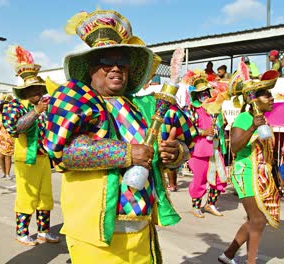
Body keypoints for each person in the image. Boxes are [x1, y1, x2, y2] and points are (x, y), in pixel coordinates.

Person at [44, 10, 191, 263]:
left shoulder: (146, 107)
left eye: (121, 61)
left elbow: (182, 146)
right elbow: (64, 153)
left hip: (141, 229)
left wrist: (175, 153)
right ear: (91, 68)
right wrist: (126, 153)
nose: (115, 67)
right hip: (95, 234)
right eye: (106, 60)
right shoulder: (76, 100)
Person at [219, 69, 284, 264]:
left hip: (263, 175)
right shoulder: (244, 119)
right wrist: (252, 127)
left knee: (254, 220)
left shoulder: (265, 121)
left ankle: (228, 255)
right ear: (254, 100)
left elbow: (269, 155)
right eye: (267, 95)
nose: (271, 98)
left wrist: (279, 178)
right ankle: (251, 262)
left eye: (271, 95)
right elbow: (235, 146)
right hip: (246, 173)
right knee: (258, 220)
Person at [3, 45, 59, 246]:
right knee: (27, 197)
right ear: (25, 91)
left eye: (39, 88)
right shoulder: (15, 106)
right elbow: (14, 129)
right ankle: (22, 232)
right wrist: (36, 111)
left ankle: (44, 231)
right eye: (33, 89)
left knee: (45, 197)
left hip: (44, 158)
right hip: (26, 158)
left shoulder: (46, 107)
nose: (38, 92)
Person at [184, 75, 228, 218]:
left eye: (206, 92)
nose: (205, 95)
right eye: (201, 92)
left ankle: (210, 204)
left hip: (215, 149)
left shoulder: (214, 108)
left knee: (220, 179)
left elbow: (221, 125)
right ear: (196, 94)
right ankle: (196, 206)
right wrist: (204, 132)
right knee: (200, 179)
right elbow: (186, 129)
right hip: (199, 150)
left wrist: (221, 124)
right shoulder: (191, 109)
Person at [0, 97, 14, 179]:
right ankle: (3, 172)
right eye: (4, 107)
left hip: (9, 139)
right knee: (1, 157)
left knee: (8, 157)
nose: (6, 109)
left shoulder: (12, 116)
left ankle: (7, 173)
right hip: (0, 139)